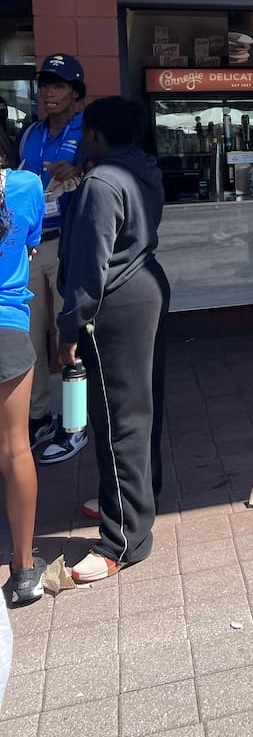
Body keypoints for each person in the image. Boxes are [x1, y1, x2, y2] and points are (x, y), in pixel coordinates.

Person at [56, 97, 170, 584]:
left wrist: (69, 327)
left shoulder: (103, 182)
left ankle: (122, 538)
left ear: (99, 136)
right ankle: (134, 499)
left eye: (85, 132)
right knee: (142, 409)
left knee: (116, 416)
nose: (82, 139)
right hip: (147, 288)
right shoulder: (142, 169)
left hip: (115, 303)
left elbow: (88, 266)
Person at [18, 53, 87, 465]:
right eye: (45, 85)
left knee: (71, 338)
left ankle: (74, 424)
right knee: (28, 338)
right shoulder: (30, 134)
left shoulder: (89, 130)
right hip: (29, 246)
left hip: (68, 244)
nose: (49, 92)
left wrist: (79, 167)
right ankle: (39, 415)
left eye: (58, 85)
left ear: (76, 93)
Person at [0, 164, 46, 605]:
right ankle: (24, 569)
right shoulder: (25, 185)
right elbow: (30, 247)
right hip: (7, 328)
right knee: (15, 448)